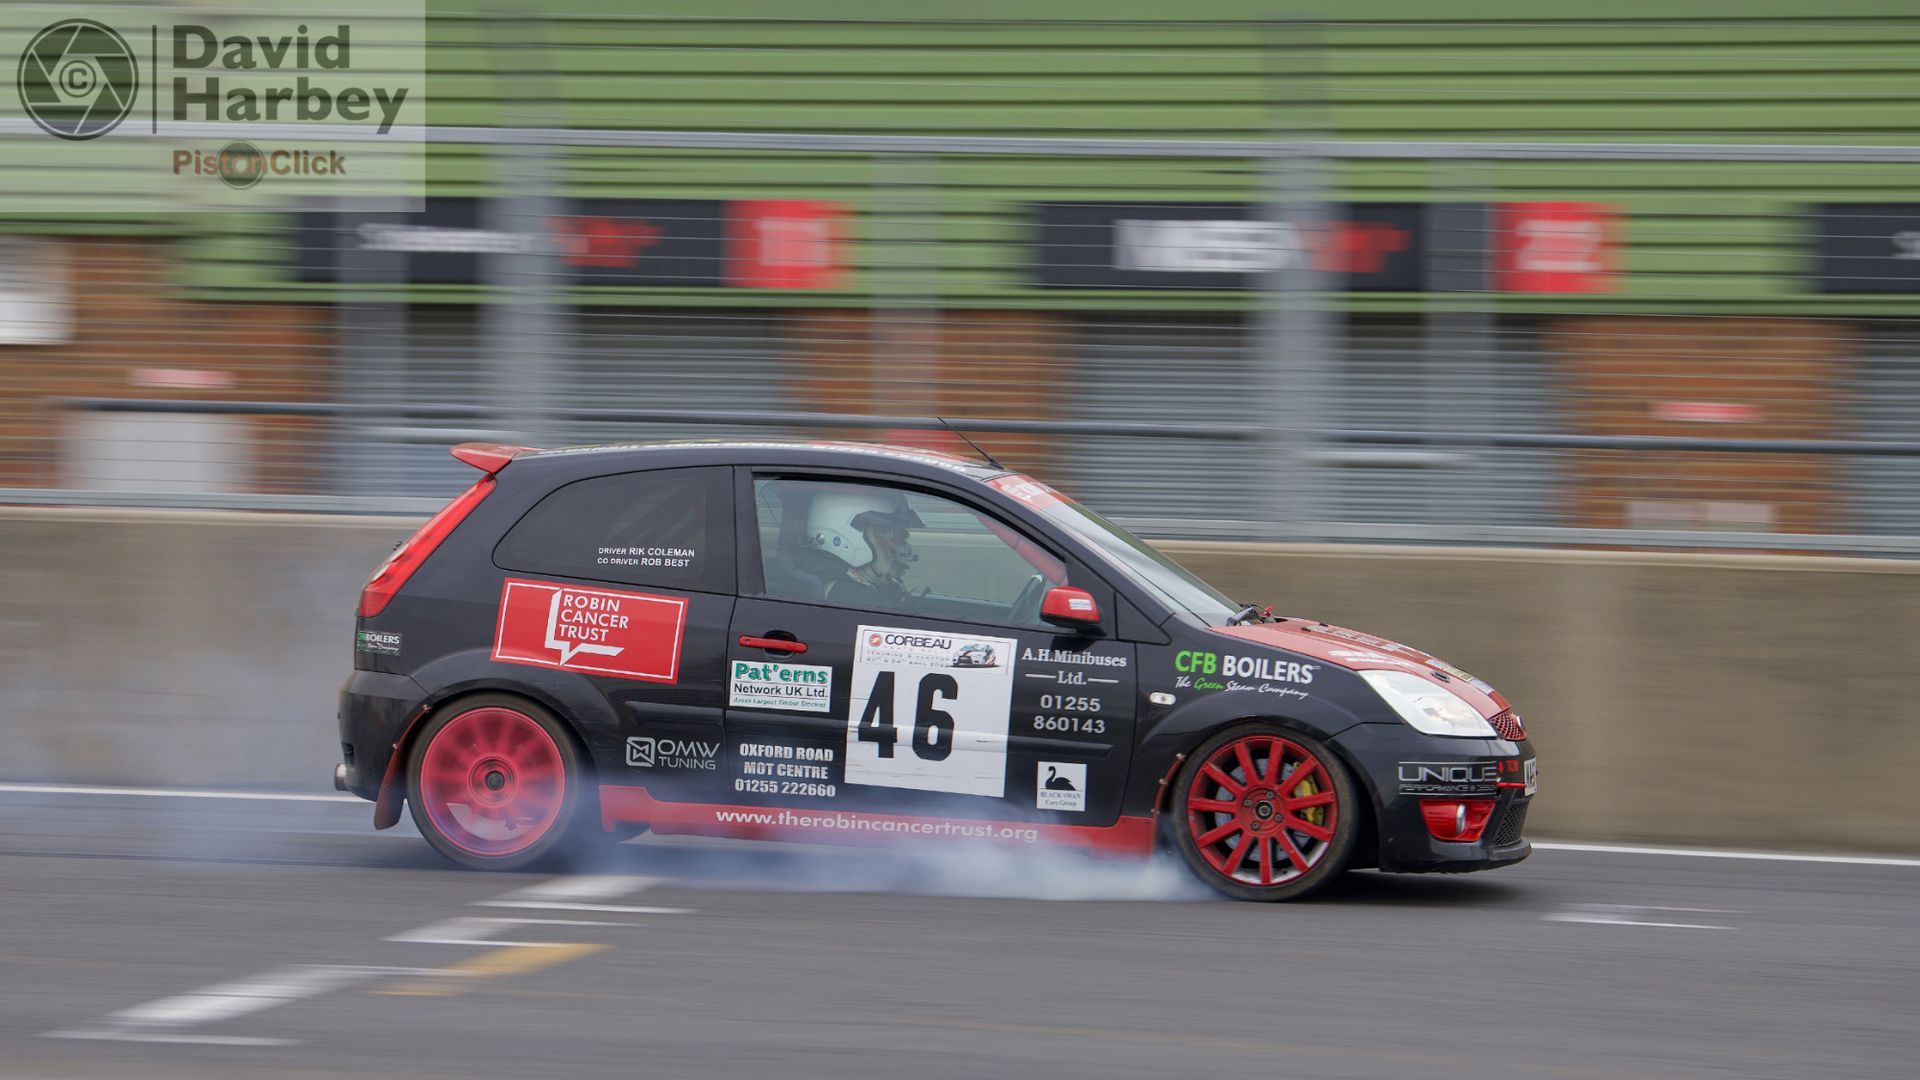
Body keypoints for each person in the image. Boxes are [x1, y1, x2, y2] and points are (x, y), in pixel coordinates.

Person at [804, 489, 925, 609]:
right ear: (847, 536)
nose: (896, 546)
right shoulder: (855, 598)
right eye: (887, 535)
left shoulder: (866, 584)